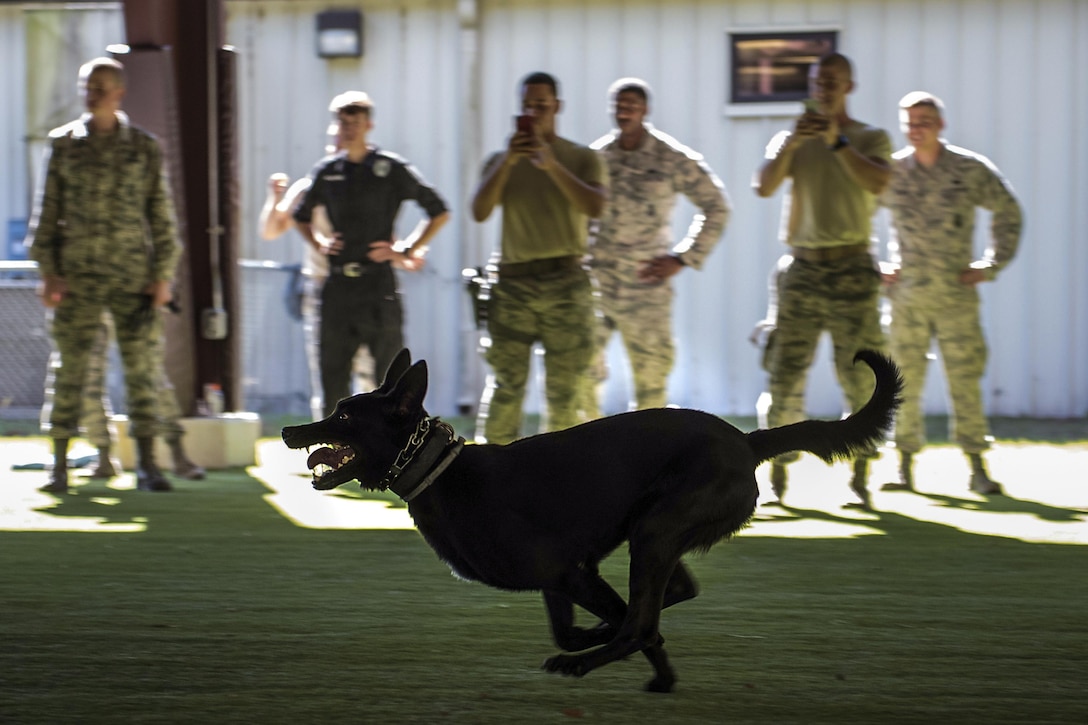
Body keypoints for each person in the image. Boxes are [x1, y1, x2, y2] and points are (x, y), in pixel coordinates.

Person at [27, 56, 181, 493]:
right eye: (86, 85)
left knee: (141, 372)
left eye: (100, 86)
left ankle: (148, 465)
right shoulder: (63, 144)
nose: (90, 93)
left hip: (133, 278)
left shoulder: (143, 147)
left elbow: (162, 216)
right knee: (70, 370)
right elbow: (47, 213)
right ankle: (58, 464)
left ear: (119, 92)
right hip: (76, 279)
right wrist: (49, 272)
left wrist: (162, 275)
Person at [752, 53, 891, 509]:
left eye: (832, 81)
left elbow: (879, 184)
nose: (823, 88)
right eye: (816, 81)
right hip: (802, 271)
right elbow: (764, 185)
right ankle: (776, 476)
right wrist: (792, 143)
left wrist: (838, 142)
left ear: (849, 86)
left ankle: (860, 476)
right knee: (785, 373)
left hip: (852, 270)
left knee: (858, 375)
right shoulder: (791, 139)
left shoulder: (871, 137)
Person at [878, 91, 1022, 495]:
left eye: (924, 120)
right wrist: (874, 266)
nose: (916, 128)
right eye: (909, 122)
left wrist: (991, 265)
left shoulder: (968, 169)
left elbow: (1008, 211)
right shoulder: (891, 173)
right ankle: (904, 467)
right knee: (902, 383)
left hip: (956, 299)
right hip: (906, 300)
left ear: (940, 124)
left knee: (964, 382)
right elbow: (854, 216)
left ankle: (977, 467)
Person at [470, 71, 608, 444]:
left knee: (566, 392)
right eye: (527, 107)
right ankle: (489, 476)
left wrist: (552, 166)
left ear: (557, 107)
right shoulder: (500, 161)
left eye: (542, 106)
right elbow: (479, 211)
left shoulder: (581, 157)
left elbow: (595, 206)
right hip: (512, 286)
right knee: (505, 386)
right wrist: (509, 162)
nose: (534, 113)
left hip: (566, 284)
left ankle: (558, 482)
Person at [583, 77, 730, 413]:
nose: (624, 111)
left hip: (645, 286)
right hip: (597, 284)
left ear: (646, 110)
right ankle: (587, 453)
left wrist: (684, 258)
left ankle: (649, 458)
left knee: (651, 382)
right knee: (582, 377)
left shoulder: (671, 158)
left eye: (632, 104)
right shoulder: (596, 158)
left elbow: (716, 206)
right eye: (618, 105)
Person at [259, 124, 375, 420]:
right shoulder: (311, 186)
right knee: (328, 370)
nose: (341, 143)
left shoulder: (372, 183)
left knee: (371, 370)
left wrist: (405, 254)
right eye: (336, 138)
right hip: (323, 287)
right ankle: (330, 448)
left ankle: (374, 444)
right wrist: (275, 198)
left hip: (366, 287)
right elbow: (272, 230)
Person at [40, 312, 205, 480]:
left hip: (130, 295)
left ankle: (177, 454)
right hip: (85, 300)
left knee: (149, 375)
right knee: (83, 379)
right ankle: (102, 457)